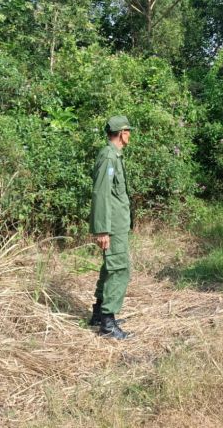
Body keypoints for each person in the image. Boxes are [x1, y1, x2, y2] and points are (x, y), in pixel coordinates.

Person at [88, 115, 134, 340]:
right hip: (112, 225)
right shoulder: (108, 156)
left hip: (117, 223)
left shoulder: (114, 155)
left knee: (110, 267)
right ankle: (107, 324)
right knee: (119, 269)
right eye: (129, 131)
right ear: (122, 133)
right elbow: (101, 193)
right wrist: (102, 230)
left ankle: (98, 314)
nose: (130, 136)